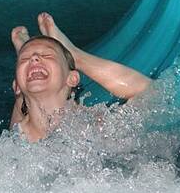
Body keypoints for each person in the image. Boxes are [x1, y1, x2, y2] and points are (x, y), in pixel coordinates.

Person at [9, 12, 151, 142]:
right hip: (21, 102)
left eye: (47, 55)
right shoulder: (14, 139)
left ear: (72, 78)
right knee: (16, 127)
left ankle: (69, 53)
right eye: (25, 58)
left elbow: (151, 92)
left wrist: (77, 57)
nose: (34, 58)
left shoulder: (93, 126)